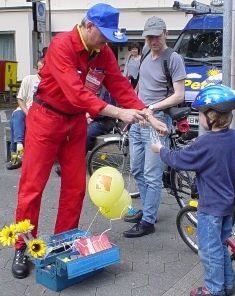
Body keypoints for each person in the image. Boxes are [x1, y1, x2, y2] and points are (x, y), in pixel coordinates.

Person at [11, 3, 169, 280]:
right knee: (32, 187)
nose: (107, 40)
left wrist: (147, 114)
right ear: (88, 26)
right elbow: (76, 95)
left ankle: (63, 243)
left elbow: (119, 85)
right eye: (103, 34)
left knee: (75, 188)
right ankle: (23, 245)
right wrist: (120, 113)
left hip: (74, 124)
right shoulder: (63, 45)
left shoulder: (102, 51)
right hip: (45, 120)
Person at [151, 85, 235, 296]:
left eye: (201, 113)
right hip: (229, 205)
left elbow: (179, 160)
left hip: (211, 207)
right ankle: (227, 284)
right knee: (222, 244)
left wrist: (161, 150)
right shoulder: (232, 138)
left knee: (209, 250)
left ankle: (214, 289)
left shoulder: (206, 142)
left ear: (211, 117)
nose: (200, 117)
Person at [123, 16, 186, 238]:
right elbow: (140, 85)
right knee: (137, 169)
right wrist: (133, 110)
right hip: (140, 119)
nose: (152, 40)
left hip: (158, 121)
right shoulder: (146, 55)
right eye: (148, 36)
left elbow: (179, 95)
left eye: (156, 36)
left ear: (165, 33)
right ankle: (149, 208)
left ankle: (148, 220)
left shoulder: (173, 58)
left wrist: (152, 107)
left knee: (152, 174)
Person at [6, 58, 44, 170]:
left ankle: (16, 155)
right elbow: (20, 99)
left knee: (14, 122)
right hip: (25, 110)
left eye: (42, 69)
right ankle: (19, 145)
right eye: (38, 68)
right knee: (17, 116)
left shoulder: (50, 82)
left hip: (40, 114)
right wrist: (28, 113)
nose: (39, 71)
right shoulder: (28, 79)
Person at [86, 85, 116, 152]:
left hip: (104, 120)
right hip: (89, 117)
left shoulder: (107, 89)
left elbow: (107, 110)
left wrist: (90, 115)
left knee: (87, 133)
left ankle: (81, 157)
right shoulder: (89, 84)